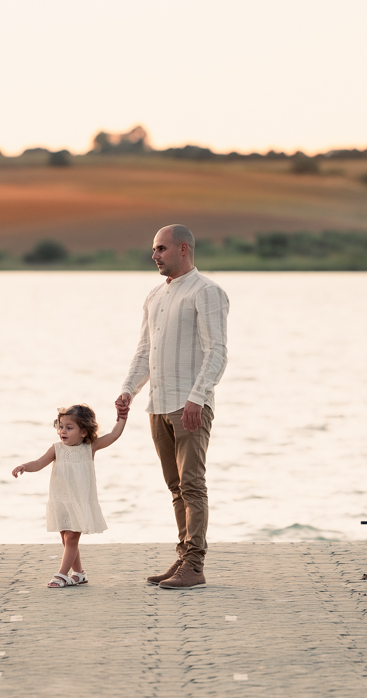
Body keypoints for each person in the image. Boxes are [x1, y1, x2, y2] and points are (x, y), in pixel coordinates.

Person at [116, 224, 229, 590]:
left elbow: (217, 352)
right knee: (175, 487)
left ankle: (195, 565)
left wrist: (197, 398)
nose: (155, 255)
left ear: (183, 249)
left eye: (161, 249)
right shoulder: (154, 296)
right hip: (158, 405)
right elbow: (144, 352)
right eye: (154, 249)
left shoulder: (207, 291)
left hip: (189, 406)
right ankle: (183, 556)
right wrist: (128, 391)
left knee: (193, 485)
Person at [11, 404, 126, 588]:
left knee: (72, 538)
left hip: (79, 501)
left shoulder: (90, 448)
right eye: (61, 426)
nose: (62, 431)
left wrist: (122, 417)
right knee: (66, 538)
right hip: (61, 500)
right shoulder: (57, 449)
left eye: (69, 428)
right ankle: (79, 573)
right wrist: (25, 466)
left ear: (84, 432)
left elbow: (114, 435)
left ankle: (62, 574)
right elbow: (39, 463)